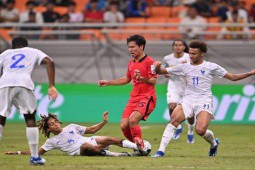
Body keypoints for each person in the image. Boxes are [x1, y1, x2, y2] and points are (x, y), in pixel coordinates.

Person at [151, 40, 255, 157]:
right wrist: (157, 67)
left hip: (204, 101)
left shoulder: (211, 67)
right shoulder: (184, 66)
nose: (190, 56)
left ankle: (213, 144)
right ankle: (160, 151)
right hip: (188, 99)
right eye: (189, 53)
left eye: (193, 54)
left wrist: (251, 73)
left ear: (202, 54)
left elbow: (233, 77)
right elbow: (162, 71)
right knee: (173, 122)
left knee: (200, 130)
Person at [0, 37, 59, 165]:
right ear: (26, 45)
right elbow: (50, 61)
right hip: (24, 83)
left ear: (13, 46)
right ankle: (34, 157)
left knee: (1, 116)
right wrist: (51, 86)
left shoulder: (5, 54)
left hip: (4, 83)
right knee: (30, 117)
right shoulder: (33, 51)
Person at [98, 34, 157, 155]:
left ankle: (140, 147)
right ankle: (138, 146)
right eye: (128, 47)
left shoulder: (150, 62)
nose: (130, 49)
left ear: (141, 47)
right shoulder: (131, 62)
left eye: (133, 47)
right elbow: (126, 79)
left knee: (133, 120)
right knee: (124, 125)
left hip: (147, 97)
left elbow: (153, 81)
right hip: (133, 98)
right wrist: (108, 82)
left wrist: (141, 78)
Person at [5, 111, 138, 157]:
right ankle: (118, 155)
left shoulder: (72, 126)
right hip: (81, 150)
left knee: (110, 139)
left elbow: (91, 130)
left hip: (91, 140)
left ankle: (137, 148)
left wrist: (103, 122)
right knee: (86, 146)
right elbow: (36, 153)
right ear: (49, 129)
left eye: (55, 121)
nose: (55, 124)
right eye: (51, 124)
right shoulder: (51, 142)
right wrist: (17, 153)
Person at [162, 39, 194, 143]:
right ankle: (179, 126)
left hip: (187, 87)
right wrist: (171, 72)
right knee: (172, 106)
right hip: (174, 86)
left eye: (180, 45)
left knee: (190, 113)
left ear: (184, 47)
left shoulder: (189, 57)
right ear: (173, 47)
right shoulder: (167, 58)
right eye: (175, 45)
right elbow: (164, 72)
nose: (178, 47)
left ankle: (190, 131)